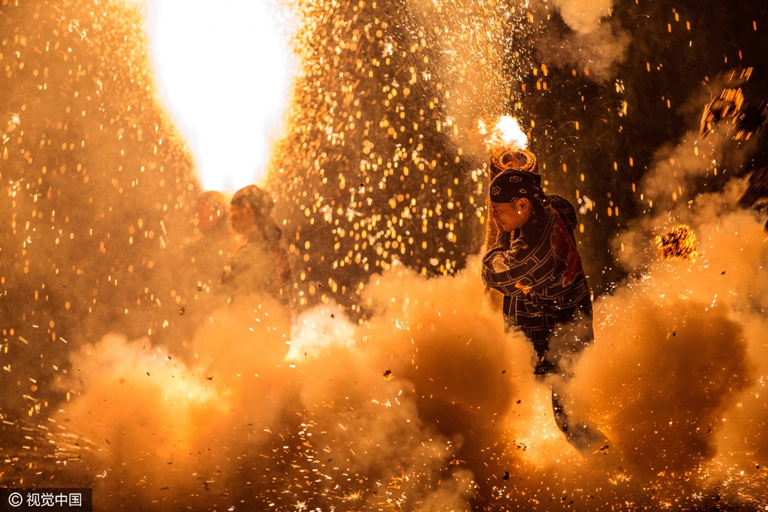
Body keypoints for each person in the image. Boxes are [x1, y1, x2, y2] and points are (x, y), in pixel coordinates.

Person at [481, 152, 605, 453]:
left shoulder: (533, 254)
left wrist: (501, 235)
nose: (496, 218)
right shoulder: (553, 205)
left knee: (570, 420)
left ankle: (613, 473)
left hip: (559, 332)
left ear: (523, 205)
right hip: (567, 315)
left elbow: (492, 272)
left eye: (498, 212)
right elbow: (566, 209)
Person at [220, 185, 291, 307]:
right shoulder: (276, 241)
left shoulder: (250, 253)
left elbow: (231, 294)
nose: (230, 218)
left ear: (248, 211)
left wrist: (227, 272)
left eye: (233, 211)